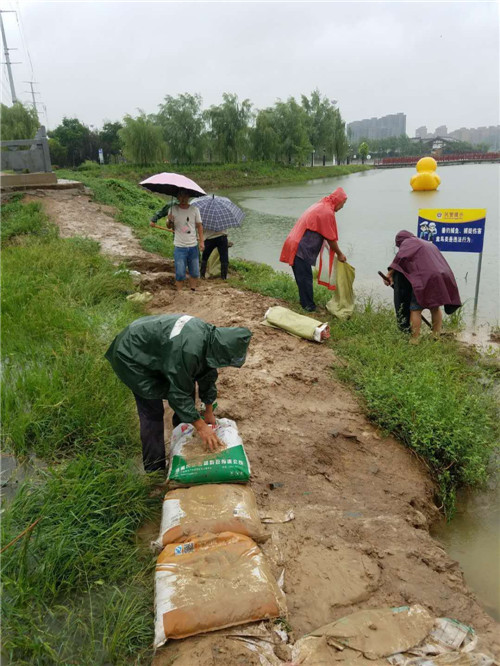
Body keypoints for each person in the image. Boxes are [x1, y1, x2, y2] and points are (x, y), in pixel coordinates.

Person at [105, 314, 252, 473]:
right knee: (152, 412)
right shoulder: (189, 351)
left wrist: (208, 411)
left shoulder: (211, 340)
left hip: (157, 349)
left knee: (186, 385)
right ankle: (154, 469)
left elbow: (207, 375)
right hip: (131, 354)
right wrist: (201, 427)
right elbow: (178, 395)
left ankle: (182, 431)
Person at [385, 230, 461, 342]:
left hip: (424, 279)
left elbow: (400, 258)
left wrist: (389, 274)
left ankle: (414, 340)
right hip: (439, 277)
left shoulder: (407, 242)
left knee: (416, 309)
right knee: (435, 307)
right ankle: (435, 335)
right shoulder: (427, 244)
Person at [279, 187, 348, 312]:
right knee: (305, 278)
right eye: (342, 204)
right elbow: (331, 238)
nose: (342, 207)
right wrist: (340, 254)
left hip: (297, 243)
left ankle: (305, 303)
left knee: (303, 277)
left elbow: (325, 233)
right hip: (300, 248)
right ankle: (309, 307)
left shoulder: (322, 205)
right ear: (337, 201)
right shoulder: (326, 212)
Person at [150, 189, 204, 292]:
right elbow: (169, 226)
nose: (183, 199)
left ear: (189, 197)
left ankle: (193, 290)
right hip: (179, 246)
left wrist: (201, 242)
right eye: (181, 196)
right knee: (180, 272)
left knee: (195, 272)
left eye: (185, 196)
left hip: (193, 245)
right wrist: (169, 221)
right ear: (177, 197)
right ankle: (180, 293)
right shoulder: (172, 209)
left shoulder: (195, 209)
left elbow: (199, 226)